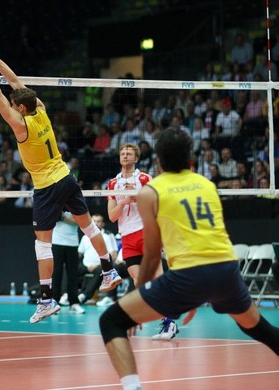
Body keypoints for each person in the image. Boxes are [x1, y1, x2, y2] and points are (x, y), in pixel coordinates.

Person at [99, 128, 279, 390]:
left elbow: (151, 255)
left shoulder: (152, 190)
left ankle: (132, 386)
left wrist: (136, 299)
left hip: (189, 275)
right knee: (258, 327)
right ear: (190, 159)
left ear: (158, 160)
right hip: (227, 270)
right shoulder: (207, 185)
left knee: (111, 321)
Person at [0, 34, 121, 324]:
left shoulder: (21, 126)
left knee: (42, 245)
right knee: (89, 227)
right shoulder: (41, 109)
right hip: (66, 177)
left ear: (20, 108)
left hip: (47, 186)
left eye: (14, 104)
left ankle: (46, 299)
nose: (11, 103)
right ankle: (109, 270)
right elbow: (14, 82)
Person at [107, 143, 178, 340]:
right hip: (127, 237)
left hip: (146, 232)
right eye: (122, 153)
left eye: (129, 153)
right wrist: (123, 201)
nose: (125, 155)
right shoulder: (113, 183)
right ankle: (165, 320)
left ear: (136, 159)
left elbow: (159, 203)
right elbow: (112, 216)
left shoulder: (145, 179)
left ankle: (169, 323)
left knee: (157, 279)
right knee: (141, 285)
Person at [77, 214, 127, 308]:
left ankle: (85, 295)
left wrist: (97, 265)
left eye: (98, 221)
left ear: (103, 224)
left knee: (102, 270)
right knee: (68, 267)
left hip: (99, 266)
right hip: (85, 266)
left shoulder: (108, 235)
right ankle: (66, 295)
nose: (95, 224)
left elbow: (113, 255)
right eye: (94, 221)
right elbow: (79, 253)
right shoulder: (85, 237)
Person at [51, 211, 84, 314]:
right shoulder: (56, 199)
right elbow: (53, 216)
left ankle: (74, 303)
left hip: (73, 242)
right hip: (57, 241)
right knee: (56, 274)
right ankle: (54, 303)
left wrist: (64, 218)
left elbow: (82, 221)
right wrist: (72, 220)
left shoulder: (77, 200)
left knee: (73, 274)